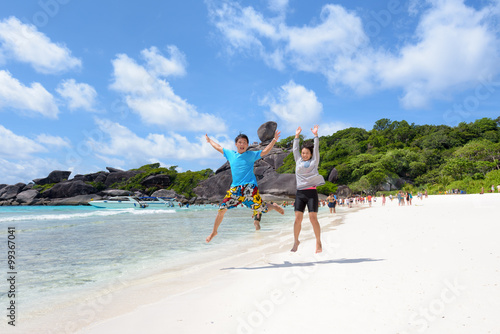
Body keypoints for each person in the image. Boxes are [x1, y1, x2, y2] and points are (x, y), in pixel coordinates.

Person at [205, 131, 285, 242]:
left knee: (262, 209)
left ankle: (275, 206)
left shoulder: (251, 155)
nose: (242, 144)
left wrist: (274, 140)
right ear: (236, 144)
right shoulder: (231, 154)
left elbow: (265, 151)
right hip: (235, 189)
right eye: (240, 142)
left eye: (244, 142)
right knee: (221, 209)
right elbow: (218, 147)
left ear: (247, 145)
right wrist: (209, 141)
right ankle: (214, 231)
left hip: (249, 188)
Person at [291, 125, 325, 253]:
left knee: (312, 218)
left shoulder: (314, 162)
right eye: (303, 153)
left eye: (307, 153)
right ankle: (296, 241)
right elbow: (295, 149)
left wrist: (316, 135)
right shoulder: (298, 161)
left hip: (311, 192)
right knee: (297, 219)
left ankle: (318, 241)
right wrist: (296, 136)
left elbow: (316, 149)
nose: (304, 155)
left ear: (310, 154)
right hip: (300, 193)